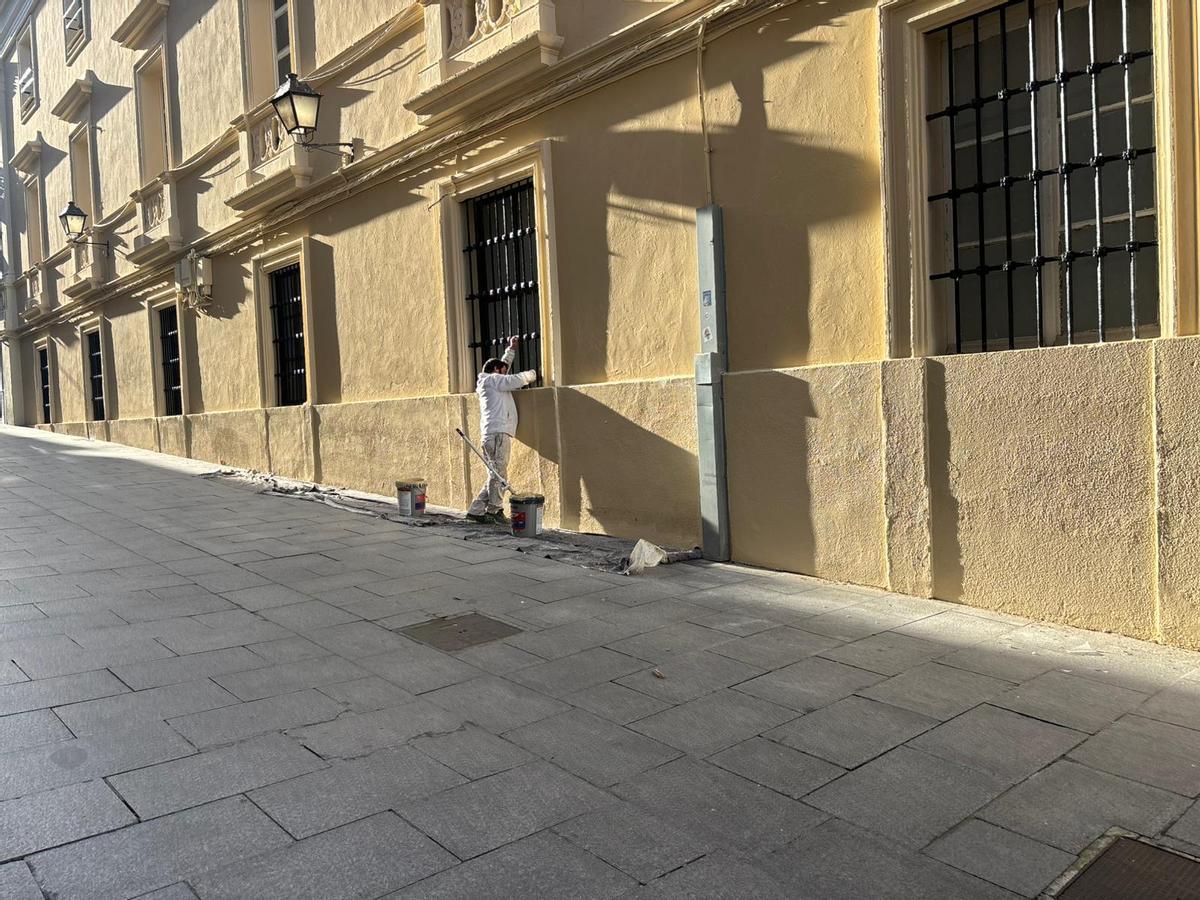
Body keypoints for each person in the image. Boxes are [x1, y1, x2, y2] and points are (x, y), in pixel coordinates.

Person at [467, 336, 537, 524]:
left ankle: (476, 510)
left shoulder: (489, 381)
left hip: (492, 432)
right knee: (499, 474)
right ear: (496, 371)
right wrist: (533, 374)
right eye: (502, 372)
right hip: (498, 433)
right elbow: (512, 380)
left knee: (495, 474)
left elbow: (503, 366)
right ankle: (495, 511)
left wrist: (511, 350)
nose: (505, 374)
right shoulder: (493, 380)